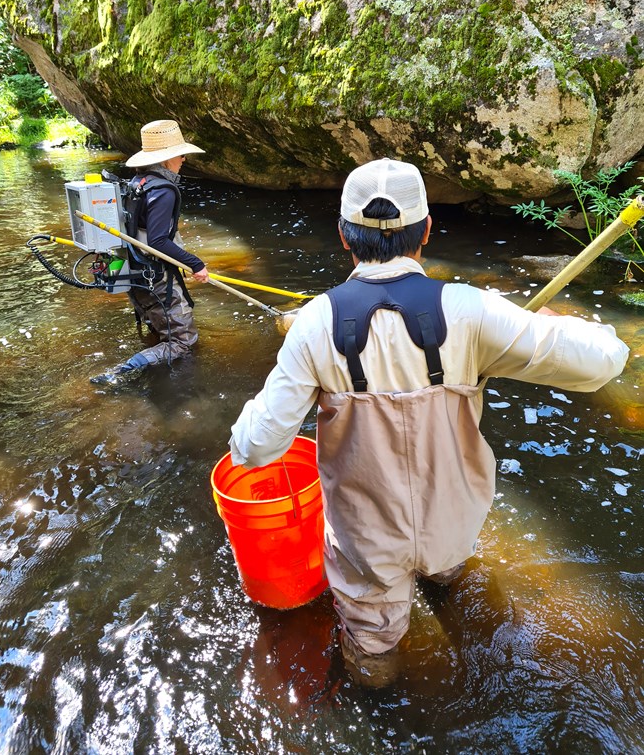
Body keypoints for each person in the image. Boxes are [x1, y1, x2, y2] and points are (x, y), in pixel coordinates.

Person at [228, 157, 629, 684]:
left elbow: (255, 450)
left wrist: (242, 426)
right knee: (453, 580)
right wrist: (557, 325)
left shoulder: (313, 325)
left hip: (366, 542)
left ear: (345, 237)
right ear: (427, 231)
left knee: (372, 653)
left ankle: (380, 699)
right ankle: (448, 591)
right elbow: (605, 361)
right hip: (453, 526)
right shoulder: (473, 310)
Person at [91, 119, 210, 385]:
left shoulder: (138, 183)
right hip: (156, 278)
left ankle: (151, 372)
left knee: (159, 331)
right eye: (180, 154)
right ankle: (122, 371)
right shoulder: (164, 191)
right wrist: (196, 263)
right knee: (183, 343)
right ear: (167, 159)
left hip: (135, 274)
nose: (184, 159)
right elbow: (157, 241)